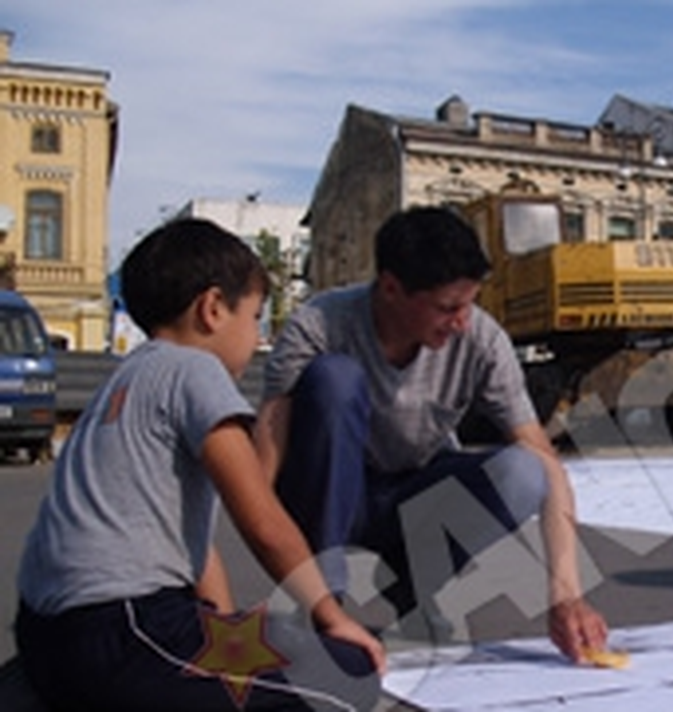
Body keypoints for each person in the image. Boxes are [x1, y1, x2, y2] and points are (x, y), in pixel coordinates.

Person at [15, 218, 383, 711]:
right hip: (127, 631)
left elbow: (196, 548)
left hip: (45, 635)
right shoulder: (193, 368)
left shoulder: (123, 381)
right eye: (254, 317)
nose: (255, 337)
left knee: (256, 644)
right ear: (212, 309)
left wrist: (227, 633)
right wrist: (332, 616)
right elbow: (263, 521)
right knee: (348, 671)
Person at [255, 205, 608, 661]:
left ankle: (414, 587)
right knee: (335, 380)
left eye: (469, 304)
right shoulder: (322, 324)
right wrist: (256, 562)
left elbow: (546, 463)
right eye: (447, 308)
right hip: (334, 491)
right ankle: (322, 603)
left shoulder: (481, 340)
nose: (461, 322)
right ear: (391, 288)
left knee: (525, 471)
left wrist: (566, 596)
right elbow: (267, 448)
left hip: (415, 492)